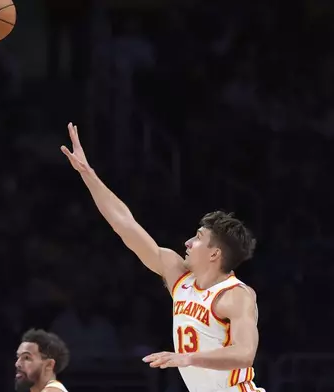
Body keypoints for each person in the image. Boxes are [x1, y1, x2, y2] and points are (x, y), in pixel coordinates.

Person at [61, 123, 265, 392]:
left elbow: (244, 353)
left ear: (215, 253)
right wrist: (88, 175)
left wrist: (187, 358)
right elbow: (126, 224)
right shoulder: (177, 274)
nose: (188, 243)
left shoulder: (236, 295)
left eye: (198, 238)